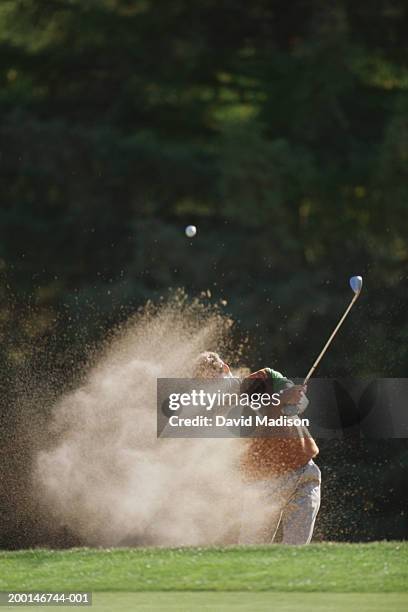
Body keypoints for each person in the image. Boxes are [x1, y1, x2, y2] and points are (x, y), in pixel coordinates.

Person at [193, 352, 321, 545]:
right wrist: (280, 401)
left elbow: (300, 402)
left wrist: (293, 400)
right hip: (261, 488)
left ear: (226, 370)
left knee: (296, 552)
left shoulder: (266, 376)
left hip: (304, 474)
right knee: (252, 554)